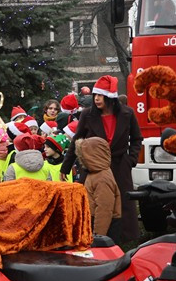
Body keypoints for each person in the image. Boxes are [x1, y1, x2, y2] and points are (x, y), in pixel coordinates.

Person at [60, 75, 142, 240]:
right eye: (95, 95)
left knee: (122, 203)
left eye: (101, 95)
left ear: (110, 97)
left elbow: (136, 139)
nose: (96, 99)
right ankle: (89, 237)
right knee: (91, 204)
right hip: (93, 168)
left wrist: (130, 160)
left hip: (120, 166)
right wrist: (66, 166)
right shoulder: (88, 115)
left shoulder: (127, 113)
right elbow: (76, 140)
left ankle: (122, 238)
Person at [75, 137, 122, 240]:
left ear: (91, 157)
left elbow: (104, 210)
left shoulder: (102, 178)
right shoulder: (95, 173)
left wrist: (98, 237)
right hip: (93, 221)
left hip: (104, 228)